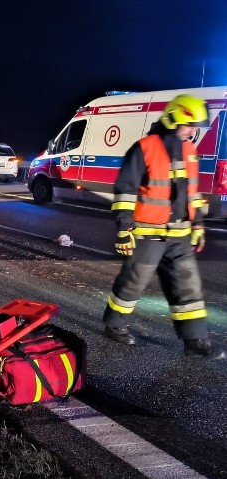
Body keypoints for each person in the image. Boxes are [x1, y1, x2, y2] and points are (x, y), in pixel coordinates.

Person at [102, 94, 224, 359]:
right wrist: (124, 228)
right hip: (148, 233)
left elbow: (192, 193)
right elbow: (125, 190)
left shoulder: (189, 151)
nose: (194, 131)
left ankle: (195, 341)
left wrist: (199, 225)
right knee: (134, 281)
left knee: (187, 285)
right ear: (173, 119)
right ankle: (114, 324)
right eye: (190, 125)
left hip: (180, 234)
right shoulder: (145, 147)